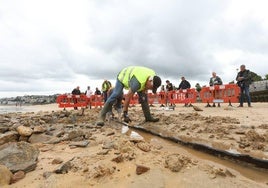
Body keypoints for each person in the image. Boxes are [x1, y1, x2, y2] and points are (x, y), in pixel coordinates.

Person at [96, 66, 162, 126]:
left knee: (143, 97)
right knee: (116, 94)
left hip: (139, 78)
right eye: (150, 87)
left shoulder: (153, 76)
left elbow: (147, 87)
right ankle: (101, 117)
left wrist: (146, 88)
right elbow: (128, 96)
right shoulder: (137, 82)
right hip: (123, 77)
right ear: (149, 81)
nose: (149, 89)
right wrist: (125, 114)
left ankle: (148, 117)